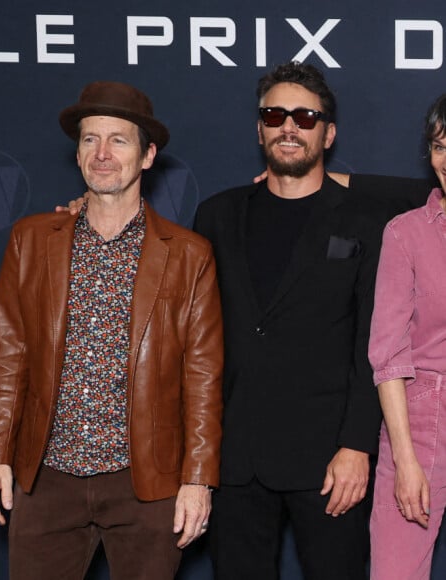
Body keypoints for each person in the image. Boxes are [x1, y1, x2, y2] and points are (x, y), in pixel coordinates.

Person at [0, 80, 223, 580]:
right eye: (90, 140)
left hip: (148, 481)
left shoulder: (189, 254)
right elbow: (8, 354)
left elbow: (203, 375)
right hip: (46, 479)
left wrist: (198, 480)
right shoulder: (31, 239)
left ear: (148, 155)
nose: (102, 154)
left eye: (119, 140)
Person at [193, 61, 387, 580]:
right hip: (235, 459)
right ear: (259, 128)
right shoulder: (216, 215)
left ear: (329, 133)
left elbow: (372, 344)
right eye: (275, 114)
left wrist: (357, 446)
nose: (289, 127)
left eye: (305, 117)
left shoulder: (366, 221)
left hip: (328, 462)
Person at [368, 94, 446, 580]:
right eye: (440, 146)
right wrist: (405, 460)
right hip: (419, 422)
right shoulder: (406, 233)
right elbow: (389, 356)